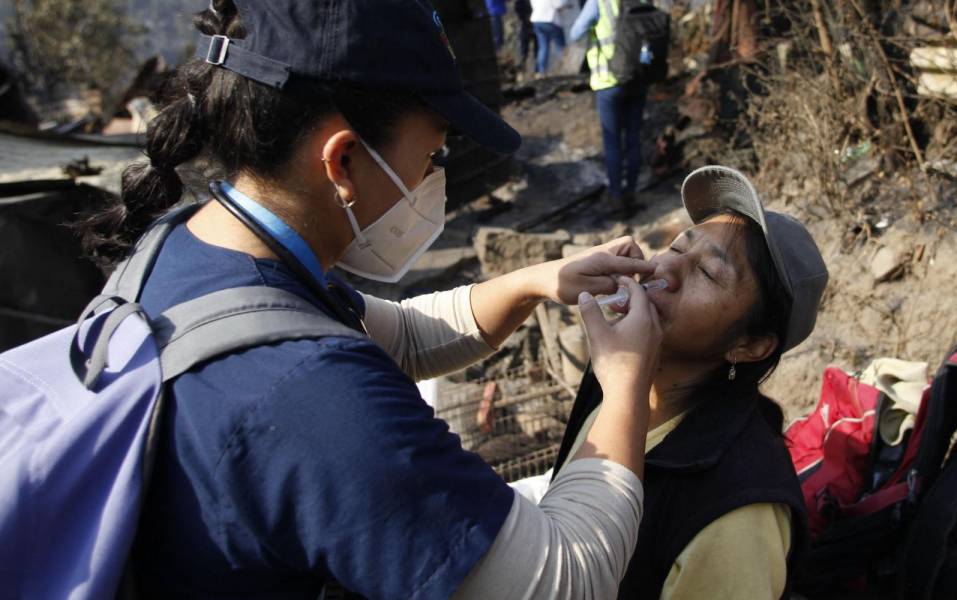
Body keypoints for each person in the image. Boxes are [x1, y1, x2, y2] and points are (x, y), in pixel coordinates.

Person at [77, 1, 666, 597]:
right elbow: (569, 580)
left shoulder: (193, 250)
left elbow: (403, 335)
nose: (431, 179)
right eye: (431, 156)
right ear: (343, 161)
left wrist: (536, 280)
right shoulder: (313, 392)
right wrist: (624, 383)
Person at [548, 166, 829, 599]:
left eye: (709, 273)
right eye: (677, 245)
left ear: (749, 345)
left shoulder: (736, 511)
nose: (667, 267)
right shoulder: (617, 372)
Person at [570, 0, 649, 215]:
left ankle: (616, 196)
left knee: (613, 142)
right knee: (633, 138)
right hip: (638, 79)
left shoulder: (600, 2)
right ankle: (631, 192)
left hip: (608, 81)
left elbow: (575, 33)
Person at [530, 0, 568, 74]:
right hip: (550, 19)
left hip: (537, 20)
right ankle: (565, 68)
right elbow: (559, 4)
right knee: (560, 46)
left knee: (543, 47)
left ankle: (541, 71)